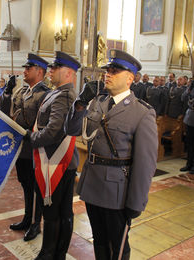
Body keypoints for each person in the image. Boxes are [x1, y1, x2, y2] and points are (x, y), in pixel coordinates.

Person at [65, 49, 158, 259]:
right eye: (108, 70)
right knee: (99, 241)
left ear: (130, 78)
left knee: (118, 248)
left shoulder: (142, 113)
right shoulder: (98, 102)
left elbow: (145, 165)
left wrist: (136, 202)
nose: (108, 74)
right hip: (92, 186)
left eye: (115, 71)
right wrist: (80, 103)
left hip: (117, 193)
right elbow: (70, 130)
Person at [25, 51, 80, 259]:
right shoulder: (57, 92)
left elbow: (54, 131)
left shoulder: (65, 96)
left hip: (57, 163)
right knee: (58, 212)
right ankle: (55, 253)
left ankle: (50, 253)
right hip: (53, 161)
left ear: (68, 74)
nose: (51, 70)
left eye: (56, 68)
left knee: (54, 213)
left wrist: (30, 138)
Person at [0, 53, 50, 241]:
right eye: (25, 68)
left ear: (40, 72)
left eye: (29, 68)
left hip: (35, 148)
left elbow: (42, 123)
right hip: (21, 147)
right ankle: (27, 218)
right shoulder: (21, 92)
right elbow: (6, 112)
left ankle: (36, 224)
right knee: (26, 185)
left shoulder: (44, 94)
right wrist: (7, 92)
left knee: (36, 188)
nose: (25, 71)